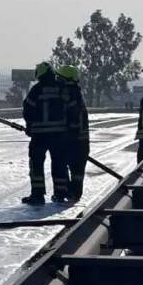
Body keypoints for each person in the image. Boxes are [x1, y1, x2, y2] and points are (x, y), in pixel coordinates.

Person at [21, 61, 72, 205]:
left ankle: (37, 196)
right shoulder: (61, 88)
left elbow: (27, 109)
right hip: (59, 135)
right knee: (59, 164)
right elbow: (70, 109)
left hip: (39, 135)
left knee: (36, 165)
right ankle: (61, 193)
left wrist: (30, 126)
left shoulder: (36, 89)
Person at [56, 65, 89, 202]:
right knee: (77, 169)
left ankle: (67, 192)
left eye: (59, 77)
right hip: (81, 141)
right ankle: (74, 192)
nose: (57, 80)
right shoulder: (76, 93)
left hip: (72, 139)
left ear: (66, 79)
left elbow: (69, 118)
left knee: (65, 165)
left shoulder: (68, 95)